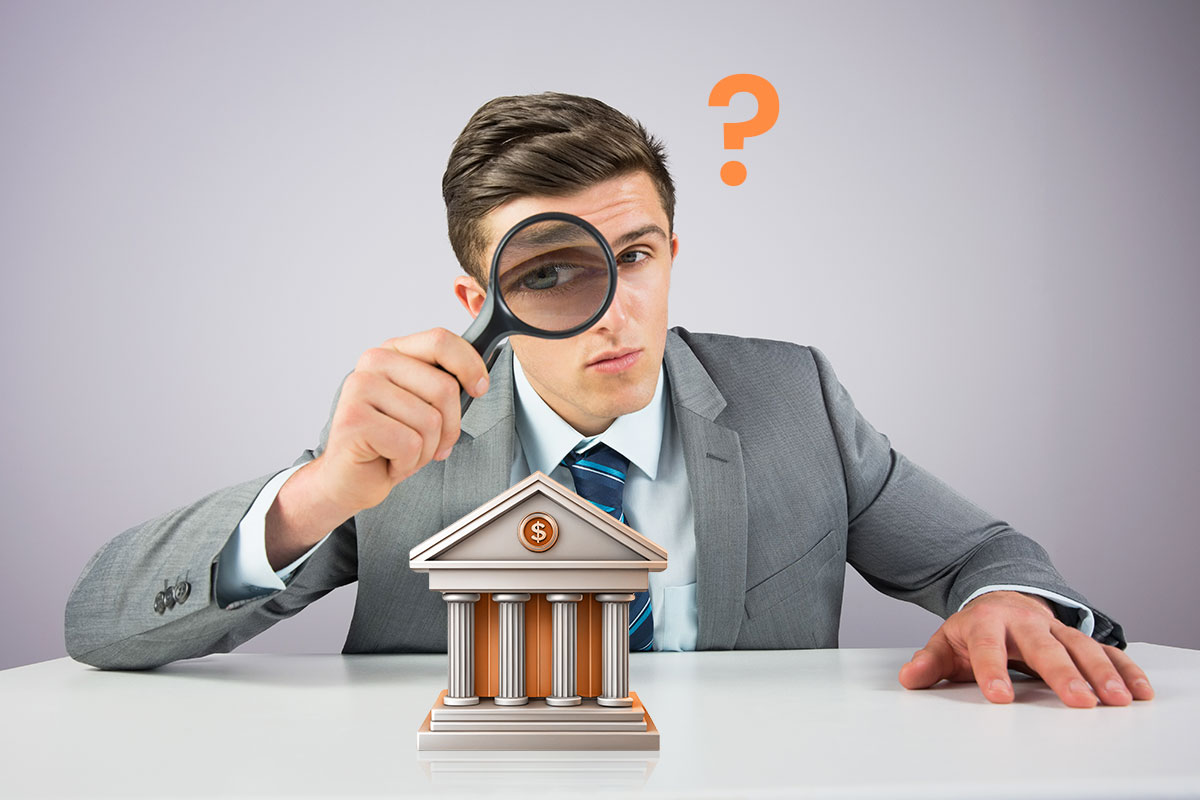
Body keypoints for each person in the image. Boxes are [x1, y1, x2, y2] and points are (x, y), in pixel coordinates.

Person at [65, 92, 1153, 709]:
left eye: (634, 255)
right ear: (478, 302)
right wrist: (313, 497)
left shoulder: (796, 399)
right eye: (548, 273)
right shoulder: (402, 438)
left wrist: (1006, 602)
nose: (613, 311)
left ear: (673, 251)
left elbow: (983, 554)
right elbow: (100, 623)